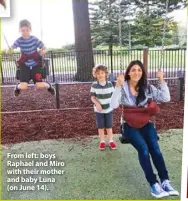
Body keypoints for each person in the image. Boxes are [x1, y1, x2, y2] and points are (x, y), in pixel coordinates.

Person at [111, 60, 179, 198]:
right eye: (134, 70)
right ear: (128, 72)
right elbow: (113, 105)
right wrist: (117, 86)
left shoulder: (147, 87)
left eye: (139, 70)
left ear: (143, 73)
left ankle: (165, 181)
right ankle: (154, 184)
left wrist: (161, 80)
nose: (137, 72)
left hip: (146, 123)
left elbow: (165, 98)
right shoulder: (123, 86)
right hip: (129, 126)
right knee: (143, 149)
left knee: (156, 150)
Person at [8, 19, 56, 97]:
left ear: (30, 30)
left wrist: (43, 50)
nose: (25, 32)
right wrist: (9, 50)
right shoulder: (19, 40)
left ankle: (50, 87)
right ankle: (17, 88)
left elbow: (44, 47)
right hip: (24, 64)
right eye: (23, 30)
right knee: (24, 86)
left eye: (27, 30)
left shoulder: (34, 39)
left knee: (39, 85)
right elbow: (12, 47)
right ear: (19, 30)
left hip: (35, 64)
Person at [90, 65, 117, 150]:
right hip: (99, 110)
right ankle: (102, 141)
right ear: (95, 75)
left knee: (109, 126)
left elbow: (114, 95)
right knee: (101, 127)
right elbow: (92, 97)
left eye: (102, 73)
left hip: (108, 109)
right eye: (98, 73)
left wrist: (115, 102)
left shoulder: (109, 84)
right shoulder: (94, 85)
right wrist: (97, 104)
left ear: (106, 74)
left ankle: (111, 140)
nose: (100, 75)